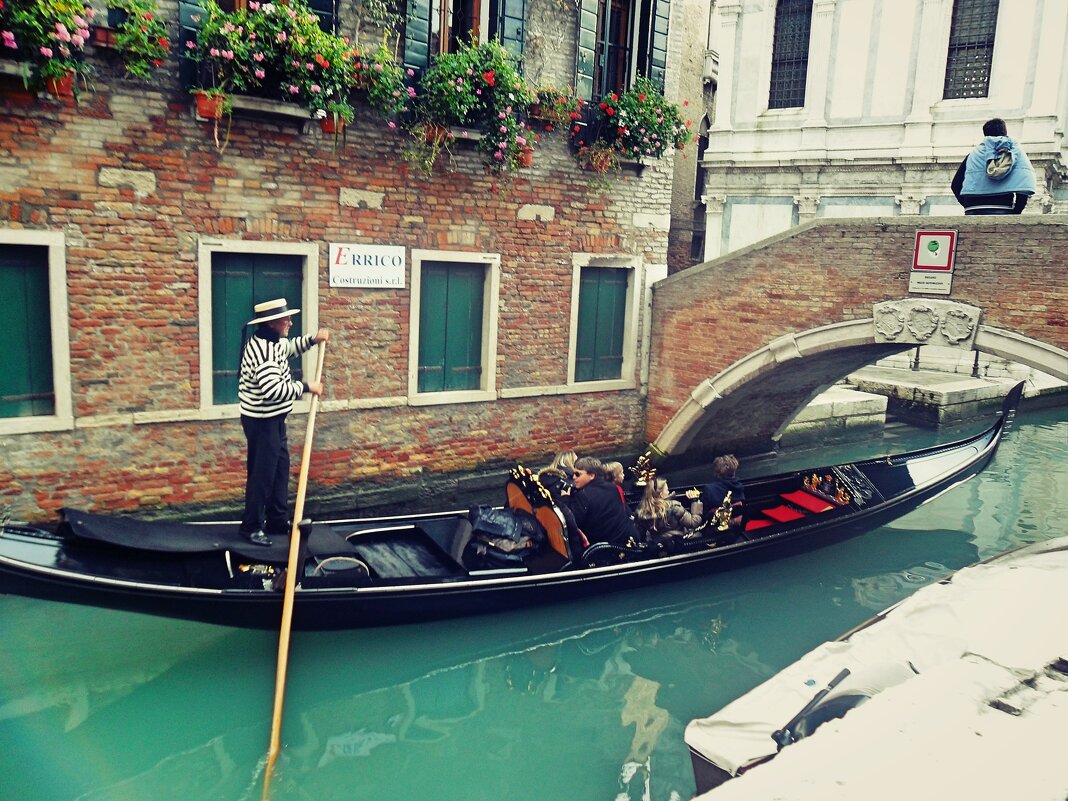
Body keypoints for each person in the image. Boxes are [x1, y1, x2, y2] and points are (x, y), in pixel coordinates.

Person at [238, 298, 329, 546]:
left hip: (275, 419)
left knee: (280, 471)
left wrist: (313, 339)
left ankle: (277, 520)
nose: (290, 322)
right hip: (261, 421)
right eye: (285, 319)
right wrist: (307, 387)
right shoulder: (262, 351)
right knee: (262, 475)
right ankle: (251, 528)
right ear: (271, 323)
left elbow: (289, 348)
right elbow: (273, 390)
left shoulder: (274, 342)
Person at [951, 118, 1036, 215]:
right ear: (1005, 132)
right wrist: (1017, 210)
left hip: (973, 208)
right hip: (1003, 207)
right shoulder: (1015, 152)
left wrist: (968, 204)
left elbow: (955, 185)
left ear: (985, 134)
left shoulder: (972, 155)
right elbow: (1023, 183)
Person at [566, 457, 639, 547]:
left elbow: (573, 522)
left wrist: (565, 499)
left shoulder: (583, 496)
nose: (573, 477)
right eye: (573, 473)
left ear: (592, 475)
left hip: (608, 548)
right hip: (629, 538)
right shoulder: (612, 487)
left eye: (578, 474)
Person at [634, 477, 703, 541]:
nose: (668, 492)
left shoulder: (642, 511)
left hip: (659, 543)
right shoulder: (674, 507)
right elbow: (694, 522)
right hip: (679, 541)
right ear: (661, 494)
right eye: (667, 490)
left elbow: (640, 533)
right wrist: (695, 501)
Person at [701, 454, 744, 528]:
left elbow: (704, 515)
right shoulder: (739, 487)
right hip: (738, 528)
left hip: (716, 530)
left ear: (716, 472)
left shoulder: (709, 489)